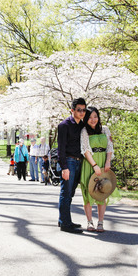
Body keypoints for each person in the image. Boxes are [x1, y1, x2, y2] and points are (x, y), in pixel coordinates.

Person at [80, 107, 120, 232]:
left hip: (103, 162)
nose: (93, 120)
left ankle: (101, 222)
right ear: (86, 119)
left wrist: (108, 161)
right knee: (89, 192)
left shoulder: (105, 129)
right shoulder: (84, 131)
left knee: (102, 192)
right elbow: (85, 149)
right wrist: (94, 165)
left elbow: (110, 146)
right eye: (90, 117)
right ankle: (89, 222)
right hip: (90, 163)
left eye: (95, 117)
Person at [57, 97, 86, 234]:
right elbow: (60, 148)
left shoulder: (82, 125)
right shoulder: (64, 125)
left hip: (79, 161)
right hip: (68, 162)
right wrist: (64, 167)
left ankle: (64, 219)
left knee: (71, 192)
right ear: (72, 110)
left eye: (83, 110)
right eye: (79, 110)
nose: (81, 112)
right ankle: (65, 224)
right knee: (66, 193)